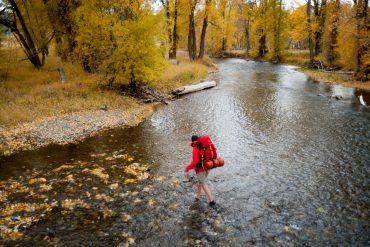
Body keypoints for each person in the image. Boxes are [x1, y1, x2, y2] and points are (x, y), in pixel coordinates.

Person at [184, 135, 216, 206]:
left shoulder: (196, 147)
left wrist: (187, 168)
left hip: (201, 169)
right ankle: (197, 197)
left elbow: (195, 161)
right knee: (199, 183)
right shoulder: (203, 145)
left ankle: (211, 200)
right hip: (208, 166)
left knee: (203, 183)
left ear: (192, 141)